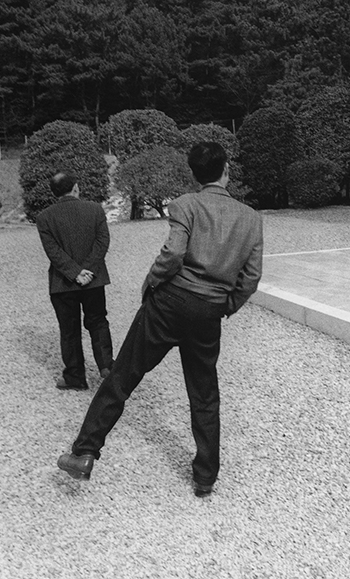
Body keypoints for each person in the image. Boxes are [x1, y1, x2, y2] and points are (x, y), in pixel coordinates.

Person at [57, 142, 263, 497]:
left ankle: (85, 452)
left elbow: (174, 253)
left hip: (168, 304)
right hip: (209, 311)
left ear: (195, 174)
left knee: (123, 377)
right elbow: (251, 277)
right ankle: (205, 476)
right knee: (204, 392)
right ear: (226, 170)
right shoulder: (251, 219)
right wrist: (225, 305)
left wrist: (151, 280)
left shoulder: (186, 204)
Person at [36, 171, 114, 390]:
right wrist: (87, 269)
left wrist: (74, 272)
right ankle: (107, 368)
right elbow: (102, 242)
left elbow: (53, 251)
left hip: (62, 282)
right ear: (77, 188)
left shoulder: (44, 217)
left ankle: (75, 377)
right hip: (94, 280)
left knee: (69, 329)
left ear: (54, 193)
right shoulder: (95, 210)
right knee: (98, 322)